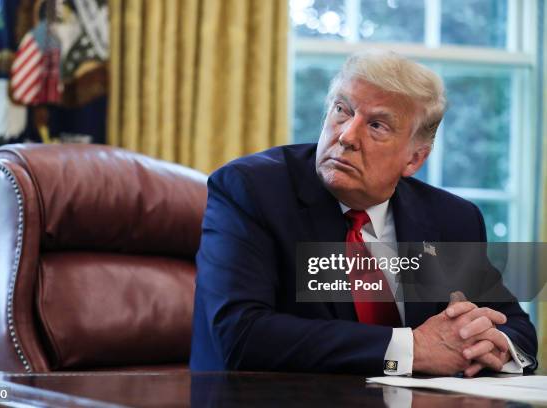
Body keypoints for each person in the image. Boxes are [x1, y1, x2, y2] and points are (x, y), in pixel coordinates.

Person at [190, 50, 537, 376]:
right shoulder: (252, 190)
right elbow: (242, 334)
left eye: (377, 126)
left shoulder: (450, 219)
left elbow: (515, 326)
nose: (347, 135)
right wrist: (413, 348)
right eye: (342, 110)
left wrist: (492, 346)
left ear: (415, 159)